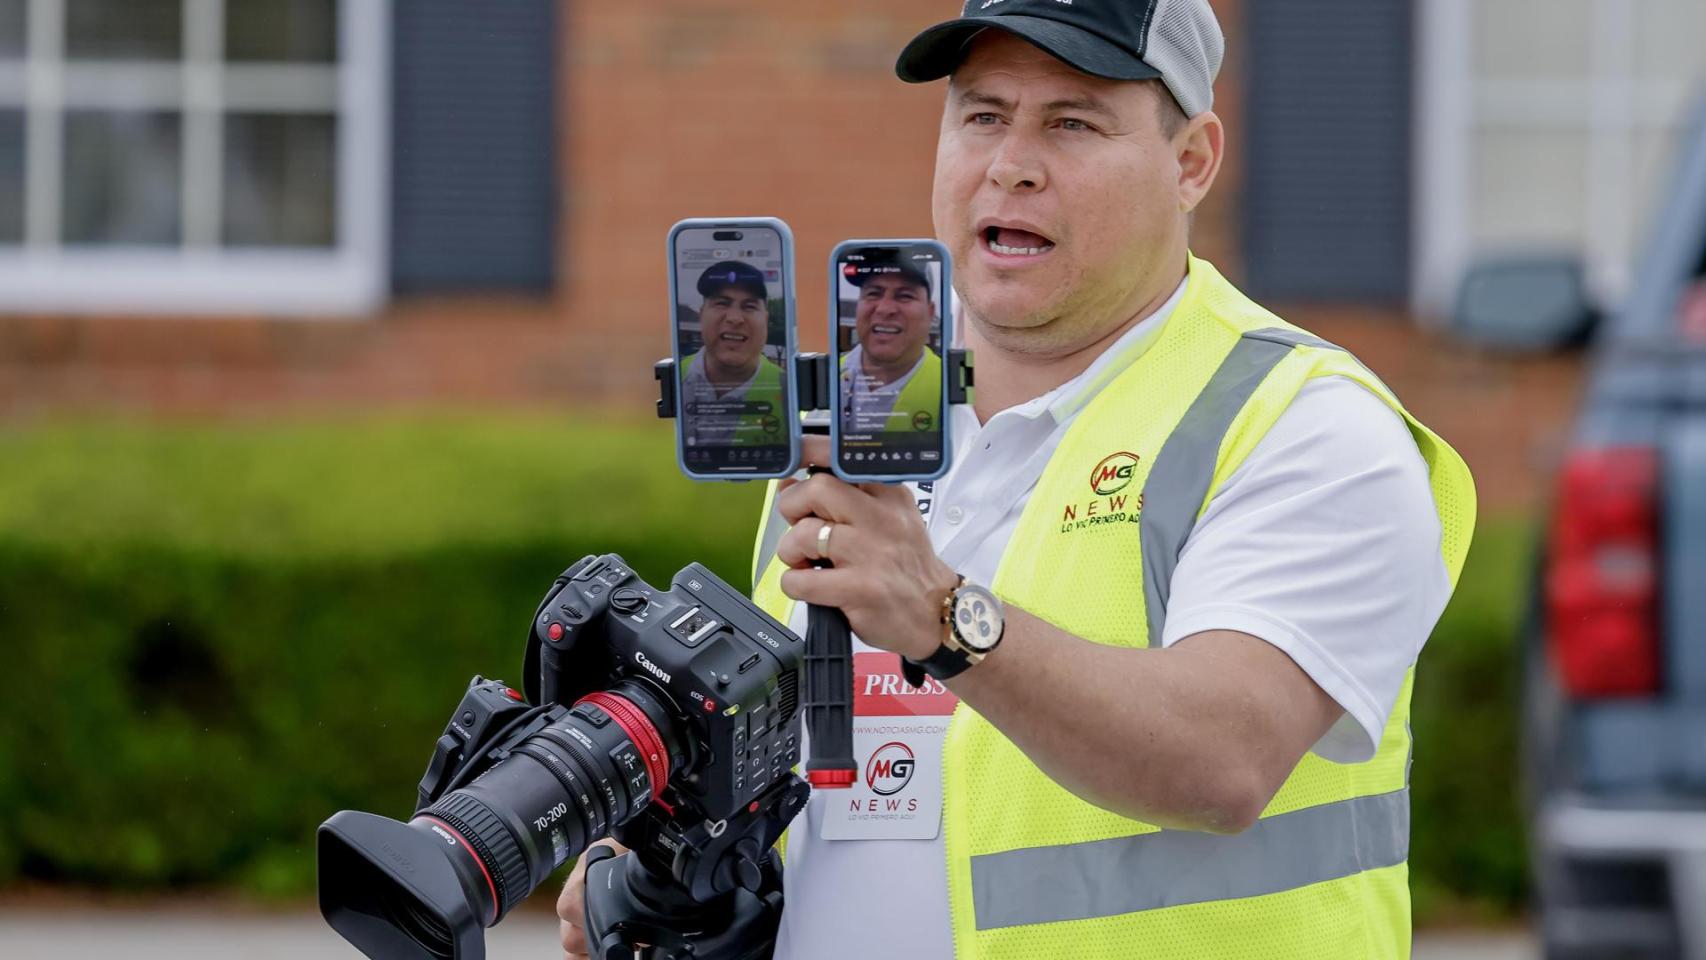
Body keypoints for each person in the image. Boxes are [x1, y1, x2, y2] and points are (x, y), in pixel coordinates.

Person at [563, 1, 1475, 958]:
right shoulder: (844, 413)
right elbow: (806, 780)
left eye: (1072, 122)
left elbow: (1225, 758)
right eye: (982, 114)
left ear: (1191, 162)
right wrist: (658, 864)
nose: (1011, 164)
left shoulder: (1305, 424)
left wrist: (943, 618)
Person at [679, 260, 786, 447]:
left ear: (766, 320)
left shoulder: (788, 389)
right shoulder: (674, 377)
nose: (735, 319)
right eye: (722, 303)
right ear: (701, 314)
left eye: (749, 306)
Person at [841, 260, 943, 437]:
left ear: (930, 312)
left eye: (905, 296)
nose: (885, 309)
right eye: (873, 293)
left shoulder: (954, 389)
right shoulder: (826, 379)